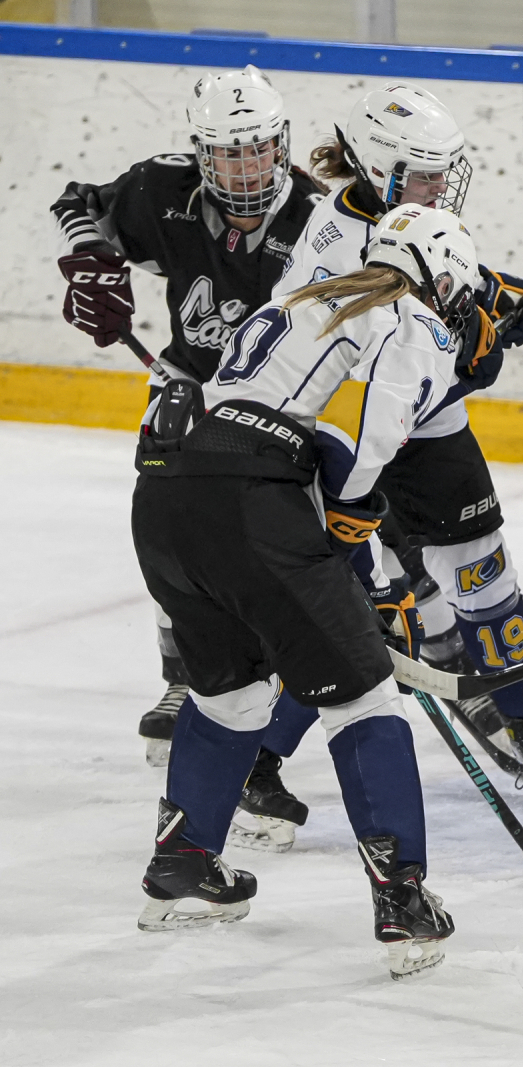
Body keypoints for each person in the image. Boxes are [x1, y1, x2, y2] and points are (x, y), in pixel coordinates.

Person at [131, 203, 478, 980]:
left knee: (231, 696)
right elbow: (355, 446)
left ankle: (183, 865)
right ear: (443, 275)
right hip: (253, 502)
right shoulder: (408, 317)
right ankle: (402, 898)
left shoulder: (297, 297)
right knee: (364, 697)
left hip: (165, 496)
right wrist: (352, 553)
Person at [266, 82, 523, 799]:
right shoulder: (339, 250)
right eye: (423, 174)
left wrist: (493, 294)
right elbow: (378, 386)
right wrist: (472, 349)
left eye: (444, 171)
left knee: (485, 574)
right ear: (376, 167)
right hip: (348, 444)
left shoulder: (395, 216)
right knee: (345, 614)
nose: (440, 186)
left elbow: (437, 275)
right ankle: (260, 761)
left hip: (425, 430)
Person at [51, 66, 324, 785]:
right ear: (203, 155)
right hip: (188, 386)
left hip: (282, 403)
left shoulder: (317, 220)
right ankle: (187, 676)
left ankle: (280, 672)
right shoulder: (161, 192)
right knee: (176, 537)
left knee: (284, 544)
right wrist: (93, 261)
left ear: (282, 144)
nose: (247, 168)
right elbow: (77, 203)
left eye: (259, 149)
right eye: (229, 154)